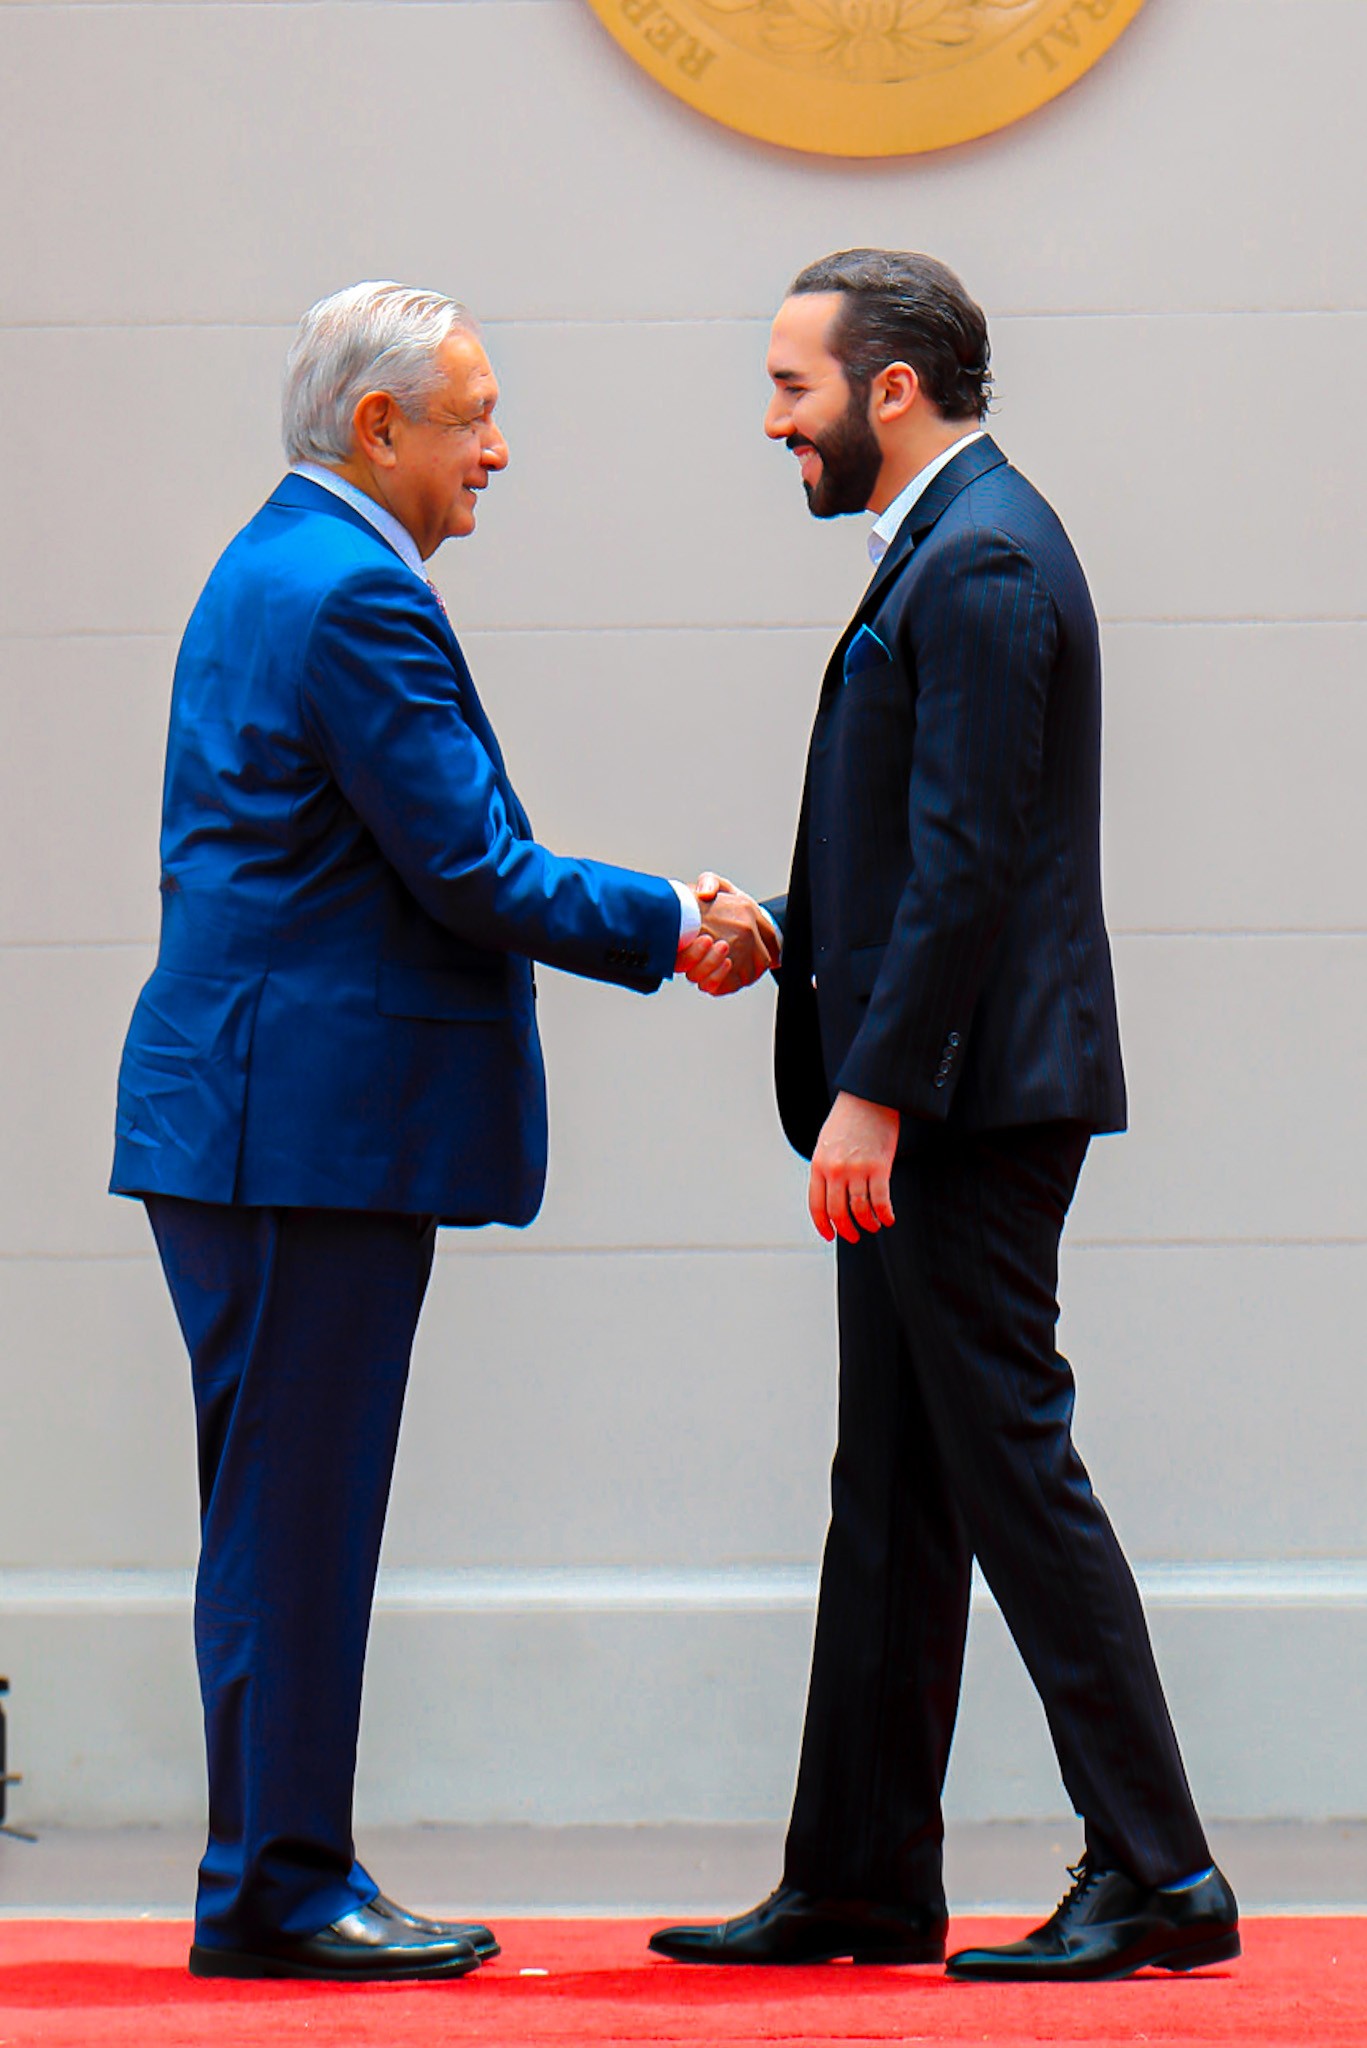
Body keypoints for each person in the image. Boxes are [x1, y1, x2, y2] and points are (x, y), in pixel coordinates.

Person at [110, 281, 776, 1983]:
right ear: (376, 425)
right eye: (474, 416)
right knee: (298, 1522)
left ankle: (279, 1874)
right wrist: (677, 921)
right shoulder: (352, 594)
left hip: (255, 1122)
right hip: (298, 1134)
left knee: (276, 1516)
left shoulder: (275, 563)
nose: (500, 449)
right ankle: (280, 1892)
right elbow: (473, 866)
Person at [649, 250, 1240, 1982]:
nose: (776, 421)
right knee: (899, 1485)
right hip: (943, 1091)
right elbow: (928, 849)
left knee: (1009, 1472)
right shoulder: (953, 547)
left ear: (889, 388)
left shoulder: (978, 559)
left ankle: (1162, 1873)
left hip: (962, 1111)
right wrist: (789, 929)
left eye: (793, 387)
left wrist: (874, 1094)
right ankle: (858, 1876)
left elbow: (975, 865)